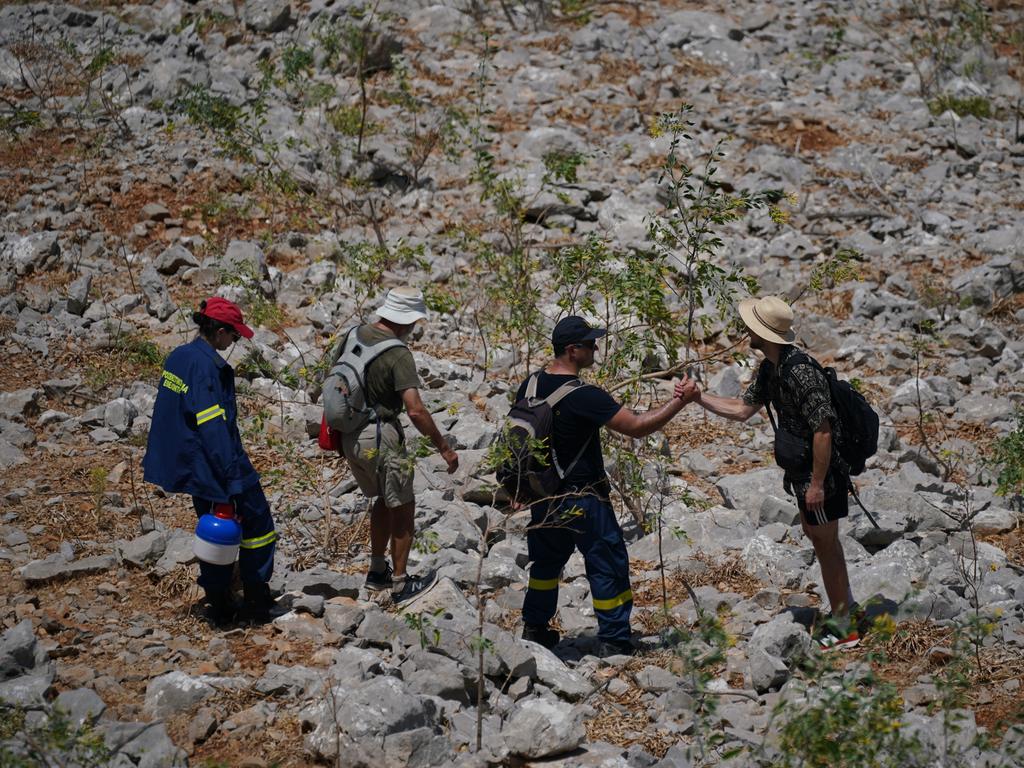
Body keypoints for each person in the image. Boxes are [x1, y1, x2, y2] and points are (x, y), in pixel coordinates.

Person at [680, 295, 860, 649]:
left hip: (817, 476)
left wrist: (818, 484)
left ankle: (845, 627)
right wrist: (698, 398)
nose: (747, 330)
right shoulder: (771, 368)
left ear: (764, 333)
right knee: (819, 538)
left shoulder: (801, 372)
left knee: (825, 542)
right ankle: (846, 609)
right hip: (802, 475)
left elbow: (823, 429)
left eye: (752, 326)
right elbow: (742, 409)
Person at [517, 316, 699, 656]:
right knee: (607, 563)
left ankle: (535, 627)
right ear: (572, 350)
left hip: (542, 496)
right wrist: (680, 401)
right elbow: (637, 427)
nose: (596, 347)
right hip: (584, 498)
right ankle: (615, 640)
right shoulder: (584, 396)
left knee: (545, 565)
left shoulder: (529, 385)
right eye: (589, 343)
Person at [143, 297, 277, 627]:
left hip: (194, 466)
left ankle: (219, 603)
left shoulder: (179, 356)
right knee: (257, 526)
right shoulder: (207, 368)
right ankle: (256, 599)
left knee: (215, 530)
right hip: (216, 462)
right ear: (218, 331)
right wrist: (232, 476)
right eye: (233, 336)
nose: (233, 342)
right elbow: (212, 425)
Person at [337, 287, 459, 604]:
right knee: (403, 507)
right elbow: (415, 409)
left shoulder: (353, 334)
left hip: (350, 435)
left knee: (383, 497)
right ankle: (401, 584)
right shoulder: (398, 353)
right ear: (409, 320)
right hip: (381, 436)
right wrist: (443, 447)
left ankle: (378, 571)